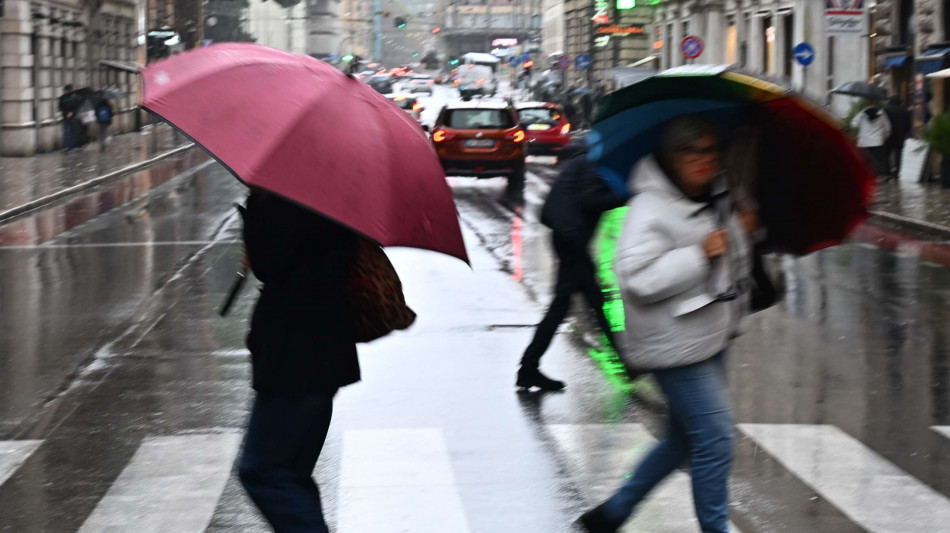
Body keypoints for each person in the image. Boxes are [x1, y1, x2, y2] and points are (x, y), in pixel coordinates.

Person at [577, 116, 754, 533]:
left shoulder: (719, 195)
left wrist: (742, 230)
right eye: (690, 151)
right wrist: (700, 254)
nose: (702, 160)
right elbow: (637, 278)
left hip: (709, 331)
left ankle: (613, 513)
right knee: (714, 437)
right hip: (670, 342)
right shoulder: (649, 208)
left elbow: (731, 260)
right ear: (670, 157)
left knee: (684, 439)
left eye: (710, 150)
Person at [237, 189, 360, 533]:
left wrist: (254, 215)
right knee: (287, 474)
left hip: (297, 355)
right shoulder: (329, 194)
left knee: (265, 472)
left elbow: (270, 261)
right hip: (315, 351)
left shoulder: (294, 200)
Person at [517, 149, 626, 391]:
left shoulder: (586, 158)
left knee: (568, 305)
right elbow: (589, 199)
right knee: (592, 302)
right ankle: (627, 361)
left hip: (567, 235)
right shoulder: (595, 163)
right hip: (571, 238)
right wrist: (625, 196)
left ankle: (528, 368)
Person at [851, 105, 892, 179]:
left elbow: (854, 125)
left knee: (865, 160)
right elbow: (888, 129)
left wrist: (860, 118)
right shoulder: (882, 114)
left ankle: (866, 176)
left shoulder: (862, 114)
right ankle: (879, 175)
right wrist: (883, 138)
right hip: (878, 141)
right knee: (878, 160)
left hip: (864, 142)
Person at [883, 98, 910, 178]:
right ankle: (897, 172)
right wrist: (905, 132)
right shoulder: (904, 111)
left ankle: (887, 172)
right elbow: (908, 124)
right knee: (899, 155)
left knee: (886, 154)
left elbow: (884, 123)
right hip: (900, 136)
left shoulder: (886, 110)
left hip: (889, 136)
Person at [58, 85, 81, 152]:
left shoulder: (74, 97)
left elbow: (77, 107)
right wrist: (66, 113)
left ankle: (71, 147)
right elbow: (60, 107)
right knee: (67, 132)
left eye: (66, 90)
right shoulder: (62, 98)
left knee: (72, 132)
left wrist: (72, 113)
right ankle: (66, 146)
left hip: (72, 117)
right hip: (65, 116)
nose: (65, 91)